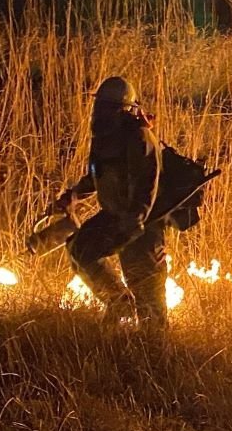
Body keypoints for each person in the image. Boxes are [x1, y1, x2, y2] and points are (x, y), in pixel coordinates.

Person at [52, 75, 169, 329]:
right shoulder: (105, 138)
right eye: (100, 105)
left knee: (147, 293)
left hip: (143, 224)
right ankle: (118, 302)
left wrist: (136, 217)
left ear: (126, 109)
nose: (100, 112)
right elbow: (98, 174)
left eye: (108, 106)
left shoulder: (139, 137)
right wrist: (73, 195)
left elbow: (148, 182)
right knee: (81, 249)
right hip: (115, 216)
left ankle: (157, 354)